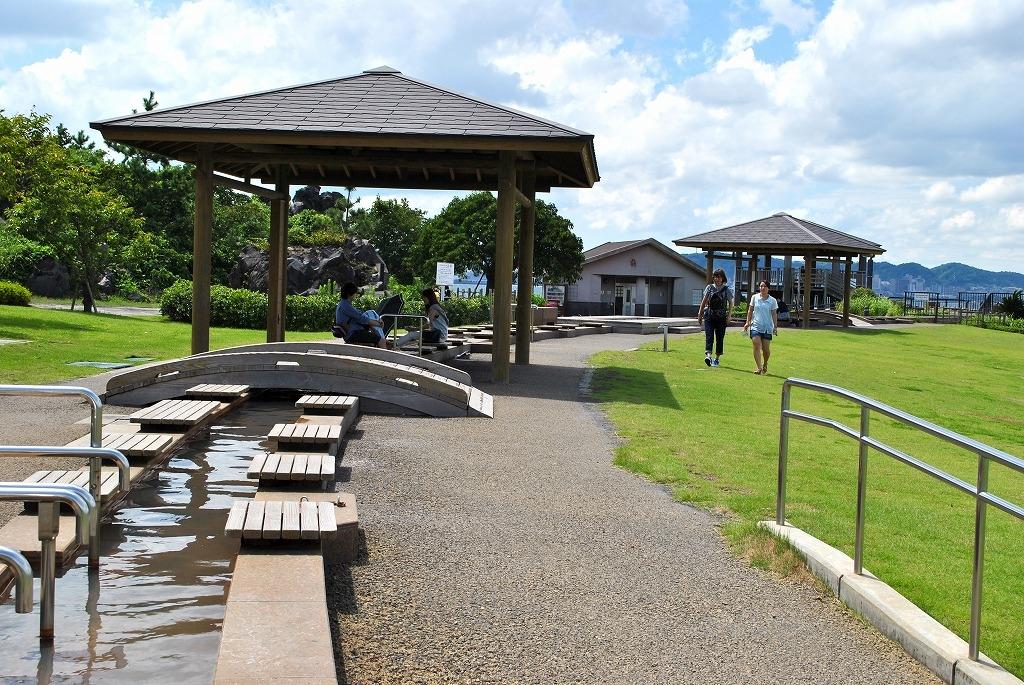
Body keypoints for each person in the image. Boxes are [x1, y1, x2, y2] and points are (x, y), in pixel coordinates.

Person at [697, 268, 733, 367]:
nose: (717, 279)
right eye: (715, 276)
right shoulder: (709, 287)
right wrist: (700, 315)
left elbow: (731, 303)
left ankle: (716, 358)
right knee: (709, 336)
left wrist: (729, 316)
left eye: (719, 277)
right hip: (709, 315)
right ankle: (708, 356)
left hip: (721, 317)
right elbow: (704, 301)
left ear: (722, 278)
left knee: (720, 338)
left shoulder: (726, 289)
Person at [335, 282, 387, 349]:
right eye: (355, 293)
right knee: (381, 340)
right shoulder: (345, 306)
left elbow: (360, 314)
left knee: (379, 338)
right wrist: (377, 323)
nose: (356, 295)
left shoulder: (344, 304)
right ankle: (385, 357)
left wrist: (376, 320)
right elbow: (362, 318)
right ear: (350, 294)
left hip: (353, 332)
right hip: (352, 334)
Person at [742, 280, 779, 375]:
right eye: (761, 286)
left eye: (765, 286)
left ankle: (765, 363)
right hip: (756, 326)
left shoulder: (772, 300)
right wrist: (747, 322)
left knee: (766, 350)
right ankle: (759, 368)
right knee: (756, 345)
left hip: (767, 327)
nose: (763, 288)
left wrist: (775, 326)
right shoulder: (754, 297)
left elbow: (774, 314)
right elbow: (750, 310)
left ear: (768, 288)